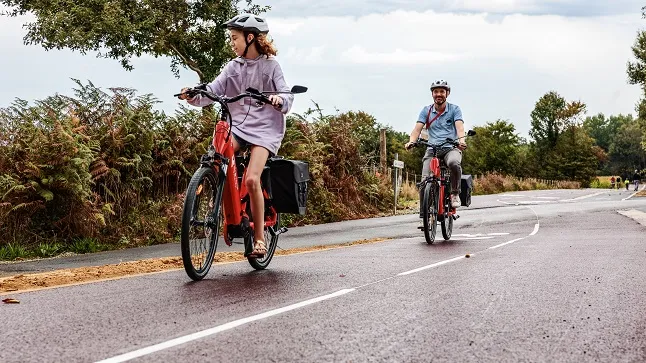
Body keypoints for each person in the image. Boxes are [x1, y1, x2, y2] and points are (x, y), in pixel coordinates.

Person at [179, 13, 293, 257]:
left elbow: (286, 94)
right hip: (239, 126)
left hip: (265, 130)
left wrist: (278, 99)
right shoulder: (233, 67)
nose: (231, 42)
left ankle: (260, 239)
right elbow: (212, 89)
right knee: (218, 157)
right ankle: (219, 201)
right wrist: (193, 94)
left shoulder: (271, 65)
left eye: (235, 38)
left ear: (250, 38)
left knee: (252, 179)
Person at [405, 80, 466, 211]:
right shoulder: (426, 111)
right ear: (432, 94)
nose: (439, 94)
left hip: (451, 148)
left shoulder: (454, 109)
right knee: (424, 181)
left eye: (442, 91)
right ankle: (425, 214)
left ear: (447, 94)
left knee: (454, 163)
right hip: (432, 149)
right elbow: (417, 130)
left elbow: (460, 127)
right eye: (436, 91)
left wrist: (461, 140)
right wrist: (411, 141)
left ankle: (455, 193)